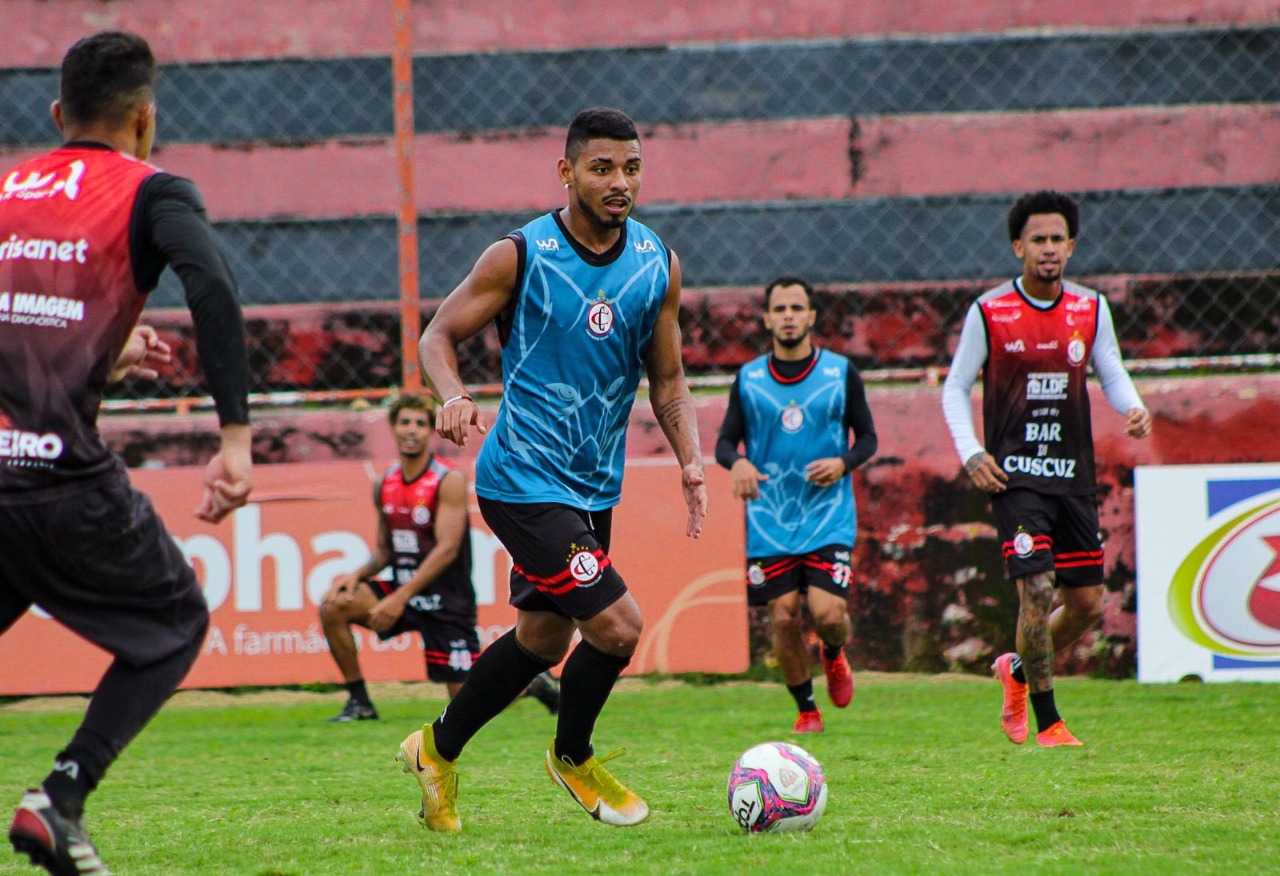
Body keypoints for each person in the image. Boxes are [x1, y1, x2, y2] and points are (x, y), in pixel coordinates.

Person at [404, 106, 706, 832]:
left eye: (631, 167)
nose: (619, 182)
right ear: (566, 172)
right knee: (620, 628)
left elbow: (668, 382)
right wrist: (451, 395)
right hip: (521, 479)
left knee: (543, 641)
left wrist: (691, 459)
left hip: (593, 484)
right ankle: (573, 756)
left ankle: (436, 751)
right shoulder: (521, 254)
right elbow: (437, 336)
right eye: (601, 168)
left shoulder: (655, 263)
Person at [0, 31, 253, 876]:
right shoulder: (153, 191)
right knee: (173, 622)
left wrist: (105, 352)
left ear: (57, 113)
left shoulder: (6, 190)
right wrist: (235, 438)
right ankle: (59, 799)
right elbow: (212, 286)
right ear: (146, 118)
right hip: (58, 482)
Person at [941, 190, 1152, 748]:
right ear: (1018, 247)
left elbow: (1110, 370)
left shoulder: (1090, 308)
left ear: (1072, 245)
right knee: (1037, 587)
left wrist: (1131, 405)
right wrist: (971, 452)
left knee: (1084, 604)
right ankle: (1049, 720)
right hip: (1015, 479)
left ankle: (1015, 669)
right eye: (1038, 239)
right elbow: (955, 386)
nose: (1049, 248)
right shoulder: (989, 311)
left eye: (1058, 238)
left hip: (1073, 477)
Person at [318, 391, 559, 721]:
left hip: (446, 600)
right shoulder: (384, 483)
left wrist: (398, 599)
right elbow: (386, 550)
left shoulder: (448, 479)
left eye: (420, 423)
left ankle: (532, 686)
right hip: (404, 590)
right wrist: (356, 575)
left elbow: (446, 550)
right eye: (405, 422)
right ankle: (360, 703)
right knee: (333, 606)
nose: (412, 430)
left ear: (431, 431)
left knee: (465, 701)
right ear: (393, 428)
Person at [715, 276, 878, 734]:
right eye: (780, 308)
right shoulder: (748, 380)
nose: (788, 316)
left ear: (810, 316)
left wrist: (843, 463)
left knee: (828, 615)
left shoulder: (840, 374)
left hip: (827, 515)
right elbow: (726, 442)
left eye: (796, 308)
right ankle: (807, 709)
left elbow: (868, 438)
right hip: (770, 520)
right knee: (783, 616)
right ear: (767, 318)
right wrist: (740, 464)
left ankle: (833, 651)